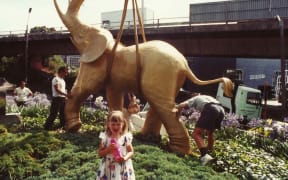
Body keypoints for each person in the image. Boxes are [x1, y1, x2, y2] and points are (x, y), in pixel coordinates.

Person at [177, 93, 225, 165]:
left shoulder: (195, 98)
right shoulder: (207, 96)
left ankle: (204, 156)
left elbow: (181, 105)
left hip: (210, 109)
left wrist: (178, 115)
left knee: (196, 133)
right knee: (210, 133)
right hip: (221, 110)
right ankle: (209, 152)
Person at [97, 110, 135, 180]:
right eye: (113, 124)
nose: (116, 127)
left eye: (118, 124)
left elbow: (131, 151)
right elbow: (100, 153)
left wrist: (125, 158)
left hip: (122, 167)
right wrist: (107, 150)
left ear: (123, 124)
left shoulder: (125, 137)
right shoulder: (105, 137)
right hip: (108, 167)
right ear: (108, 124)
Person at [44, 66, 70, 130]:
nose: (66, 74)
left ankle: (63, 126)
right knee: (54, 114)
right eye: (65, 72)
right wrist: (66, 95)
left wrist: (66, 95)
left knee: (63, 114)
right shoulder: (56, 79)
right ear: (61, 71)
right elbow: (57, 89)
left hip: (63, 99)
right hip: (57, 99)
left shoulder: (63, 80)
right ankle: (47, 127)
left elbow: (63, 89)